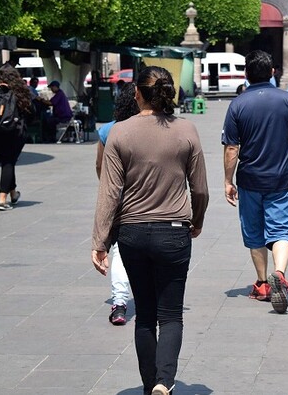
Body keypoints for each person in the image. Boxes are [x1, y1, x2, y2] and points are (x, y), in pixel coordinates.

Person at [91, 66, 208, 395]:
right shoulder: (187, 130)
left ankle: (148, 385)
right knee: (170, 314)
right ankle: (164, 382)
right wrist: (196, 220)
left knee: (144, 314)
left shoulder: (120, 133)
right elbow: (200, 189)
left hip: (132, 233)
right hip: (174, 230)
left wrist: (100, 241)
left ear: (138, 94)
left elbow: (109, 193)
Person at [222, 50, 288, 314]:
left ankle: (263, 283)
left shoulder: (238, 104)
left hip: (250, 180)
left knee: (254, 232)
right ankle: (280, 274)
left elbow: (231, 148)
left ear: (246, 75)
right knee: (282, 229)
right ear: (272, 71)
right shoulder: (287, 100)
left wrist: (228, 180)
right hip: (282, 179)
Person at [94, 84, 139, 326]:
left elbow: (100, 166)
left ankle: (119, 303)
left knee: (121, 252)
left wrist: (110, 192)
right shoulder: (151, 127)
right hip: (148, 198)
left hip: (119, 199)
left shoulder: (108, 131)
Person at [0, 65, 33, 211]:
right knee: (8, 162)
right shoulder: (20, 93)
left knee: (8, 162)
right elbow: (32, 112)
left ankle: (13, 193)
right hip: (15, 133)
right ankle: (2, 199)